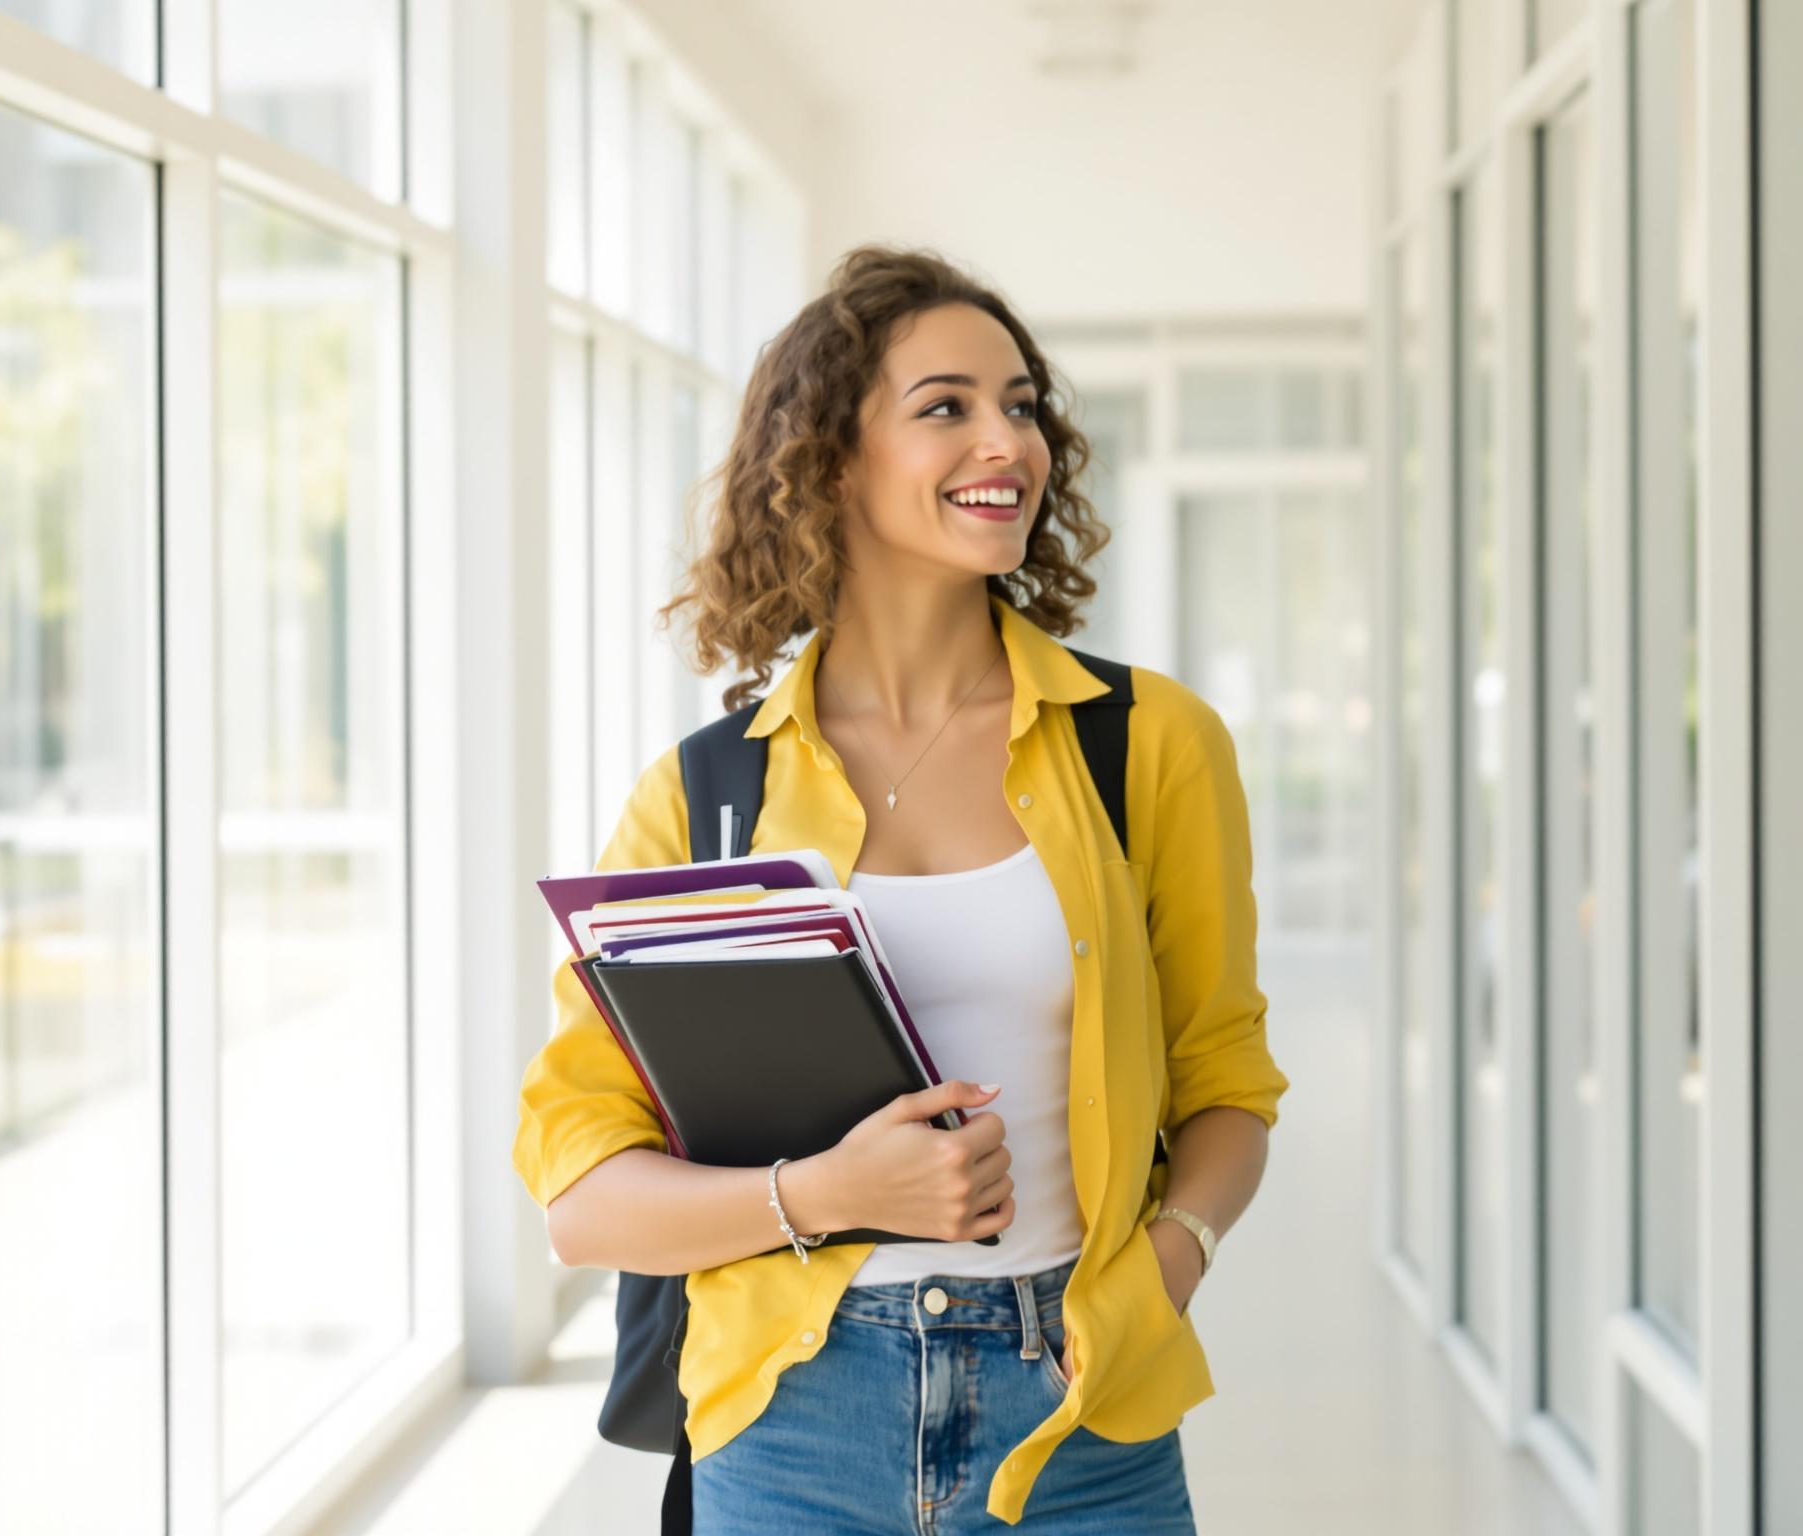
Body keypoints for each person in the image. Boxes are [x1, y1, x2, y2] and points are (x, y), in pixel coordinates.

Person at [512, 244, 1287, 1533]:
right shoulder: (704, 799)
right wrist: (828, 1197)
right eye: (947, 407)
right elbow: (582, 1199)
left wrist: (1167, 1268)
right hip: (793, 1425)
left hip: (1082, 1417)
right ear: (828, 465)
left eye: (1022, 405)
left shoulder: (1149, 745)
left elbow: (1227, 1083)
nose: (1010, 441)